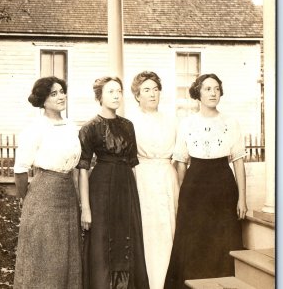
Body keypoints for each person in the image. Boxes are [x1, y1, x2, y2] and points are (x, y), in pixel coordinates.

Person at [164, 73, 248, 289]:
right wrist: (183, 197)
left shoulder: (231, 122)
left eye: (216, 89)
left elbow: (238, 162)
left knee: (222, 240)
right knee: (195, 242)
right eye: (208, 89)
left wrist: (242, 199)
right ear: (198, 93)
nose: (213, 93)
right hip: (195, 186)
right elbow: (181, 163)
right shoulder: (187, 123)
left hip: (223, 186)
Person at [77, 76, 149, 289]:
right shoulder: (89, 128)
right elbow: (83, 170)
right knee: (102, 244)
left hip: (126, 188)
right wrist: (86, 208)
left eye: (119, 91)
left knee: (127, 242)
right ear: (99, 96)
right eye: (111, 91)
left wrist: (135, 200)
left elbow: (133, 165)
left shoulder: (128, 126)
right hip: (101, 189)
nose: (117, 95)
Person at [13, 76, 83, 288]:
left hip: (68, 193)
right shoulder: (36, 128)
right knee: (45, 253)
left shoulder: (71, 126)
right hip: (43, 195)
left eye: (62, 91)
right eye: (54, 94)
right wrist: (26, 198)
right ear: (43, 100)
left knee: (68, 254)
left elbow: (76, 165)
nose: (61, 96)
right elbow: (20, 170)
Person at [129, 71, 180, 289]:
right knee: (149, 232)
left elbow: (179, 157)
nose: (152, 94)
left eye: (156, 89)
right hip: (143, 177)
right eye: (146, 90)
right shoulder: (130, 122)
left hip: (168, 177)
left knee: (169, 228)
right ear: (137, 95)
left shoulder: (171, 120)